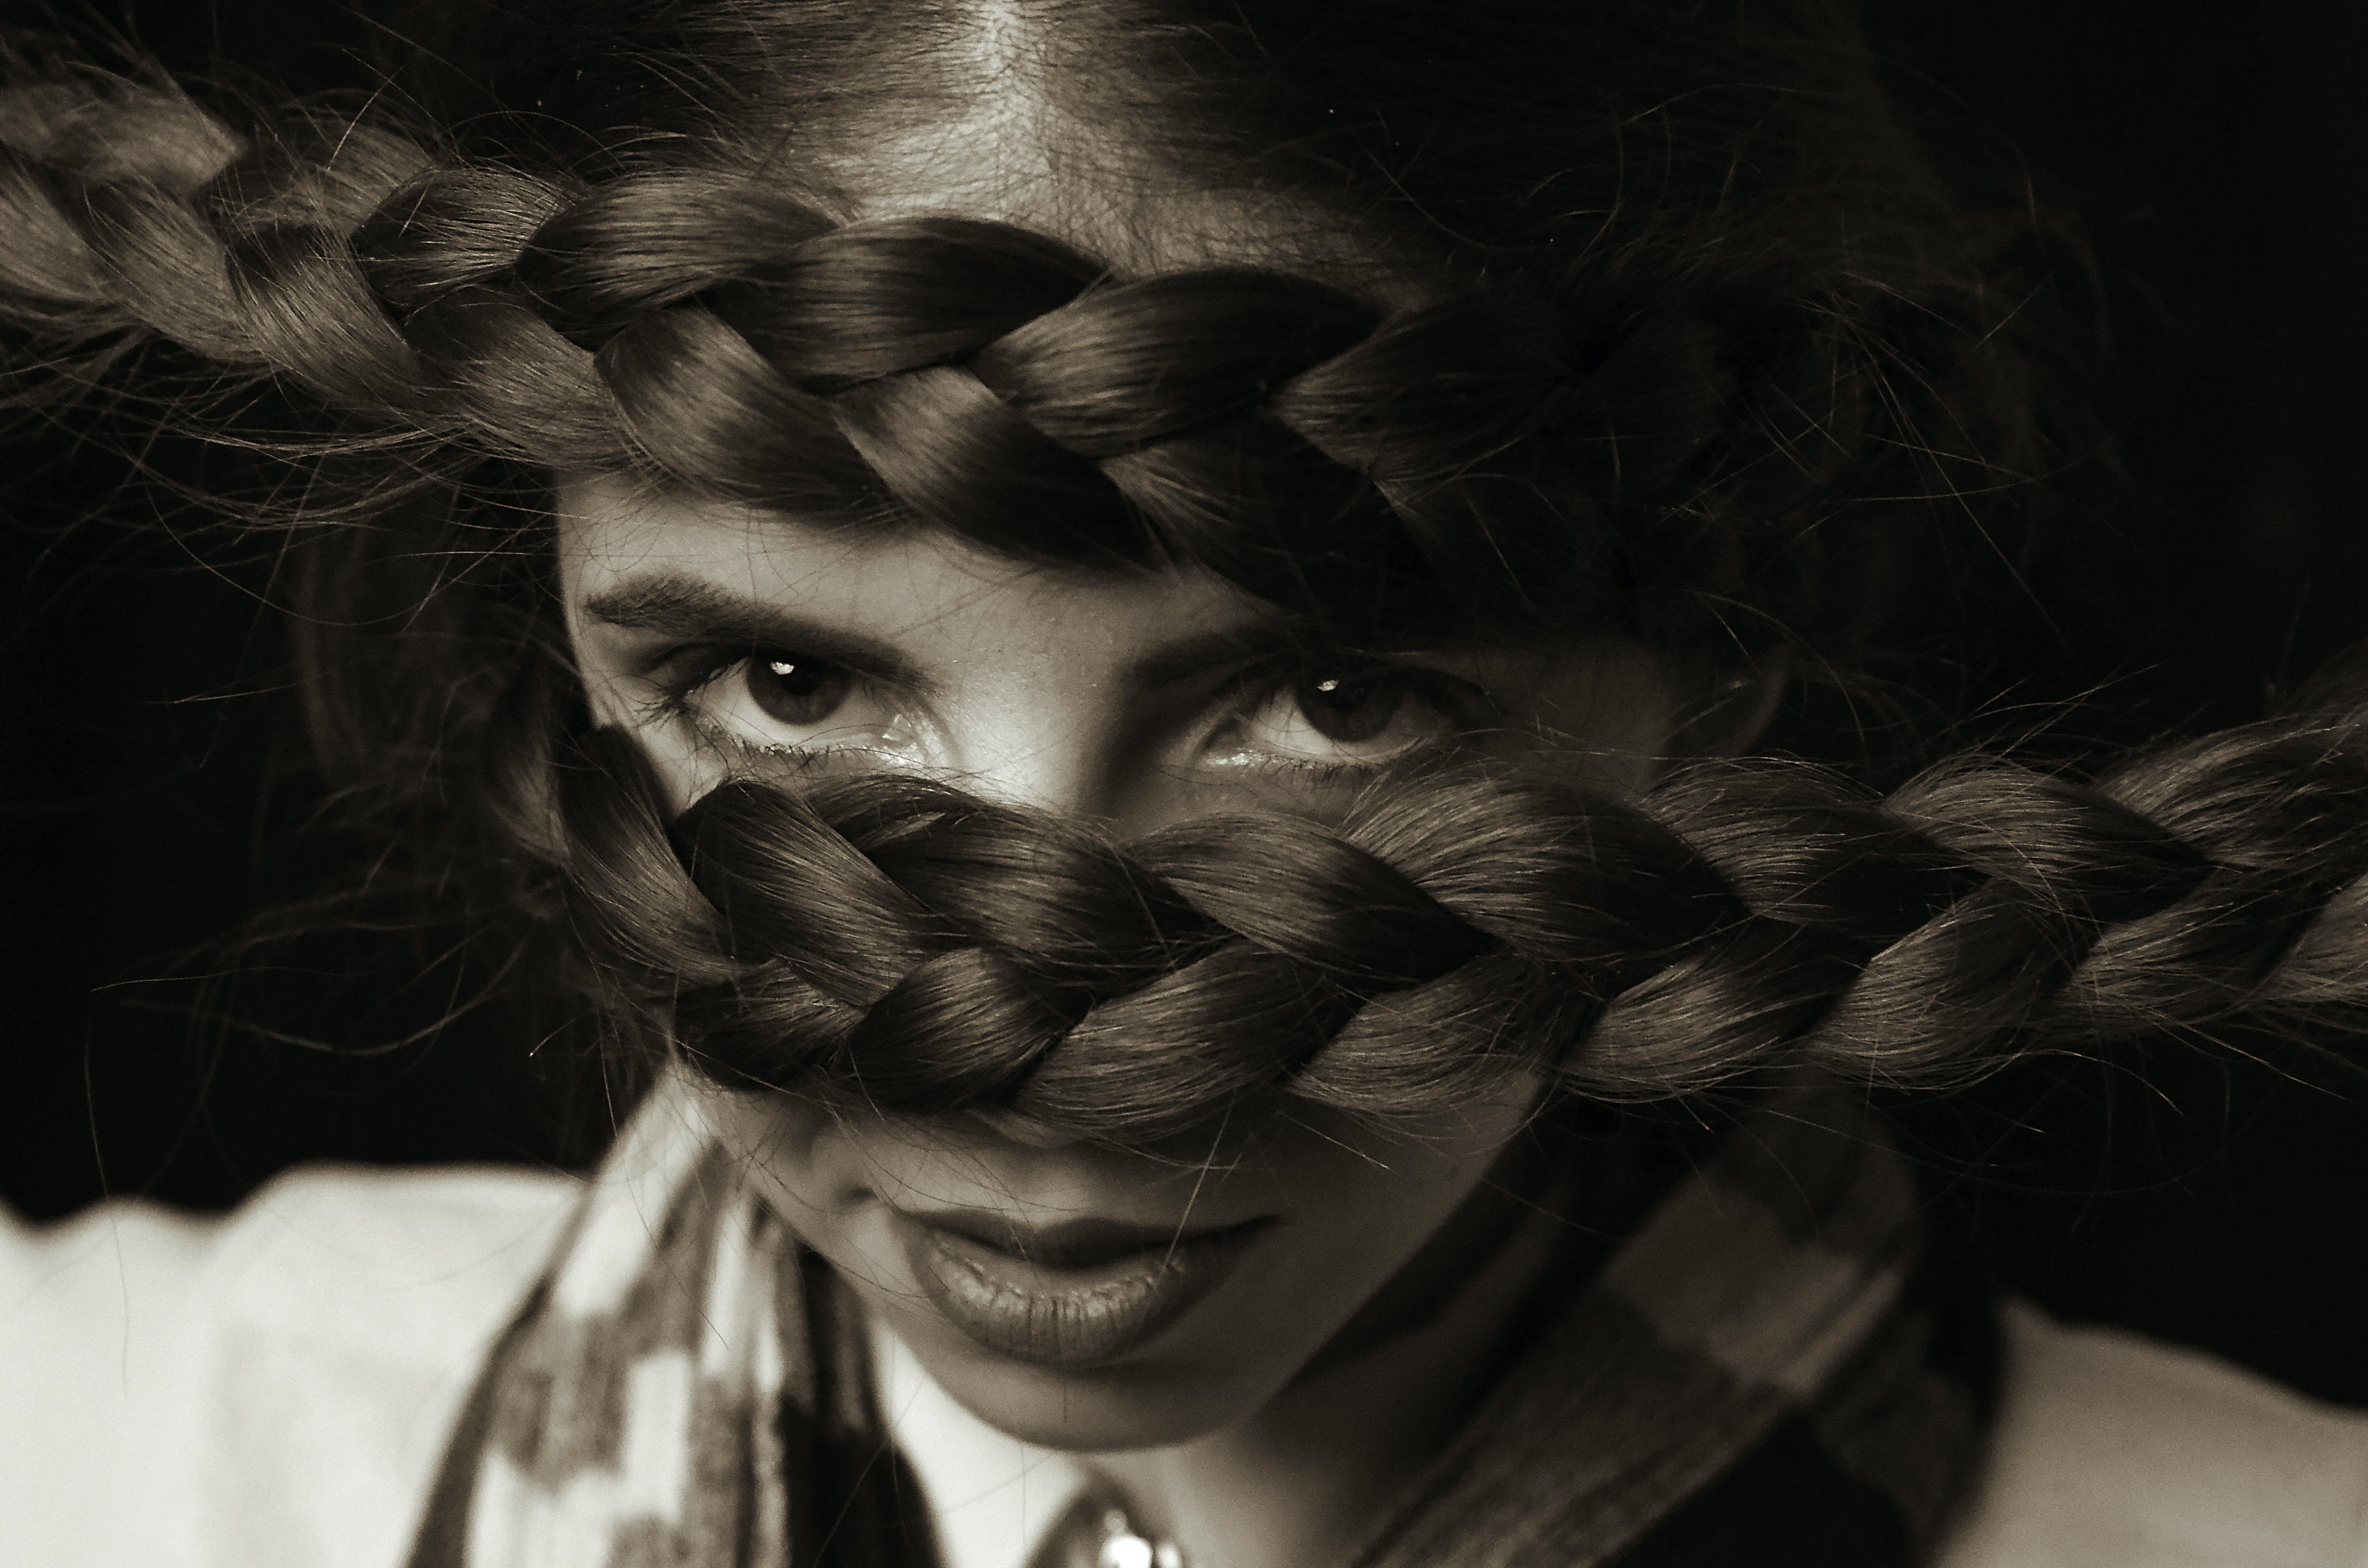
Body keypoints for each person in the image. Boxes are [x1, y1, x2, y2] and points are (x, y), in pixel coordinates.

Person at [3, 1, 2367, 1564]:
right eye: (793, 685)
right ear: (557, 614)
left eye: (1335, 706)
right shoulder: (135, 1454)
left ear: (1716, 674)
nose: (1054, 1078)